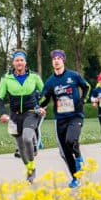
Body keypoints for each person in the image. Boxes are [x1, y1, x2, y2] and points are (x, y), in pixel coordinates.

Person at [40, 49, 90, 186]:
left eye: (59, 58)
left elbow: (87, 86)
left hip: (75, 116)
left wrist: (83, 100)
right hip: (60, 118)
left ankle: (79, 157)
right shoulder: (50, 82)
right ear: (52, 62)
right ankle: (75, 178)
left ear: (63, 60)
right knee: (66, 151)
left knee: (70, 140)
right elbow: (44, 99)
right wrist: (39, 105)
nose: (56, 60)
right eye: (54, 58)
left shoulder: (73, 75)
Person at [0, 50, 46, 182]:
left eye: (21, 60)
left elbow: (45, 92)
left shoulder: (34, 77)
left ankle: (32, 159)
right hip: (14, 115)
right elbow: (0, 97)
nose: (19, 62)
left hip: (31, 112)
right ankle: (30, 169)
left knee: (27, 138)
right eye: (17, 60)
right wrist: (2, 113)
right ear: (13, 62)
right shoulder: (6, 78)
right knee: (21, 147)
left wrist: (41, 107)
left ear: (25, 62)